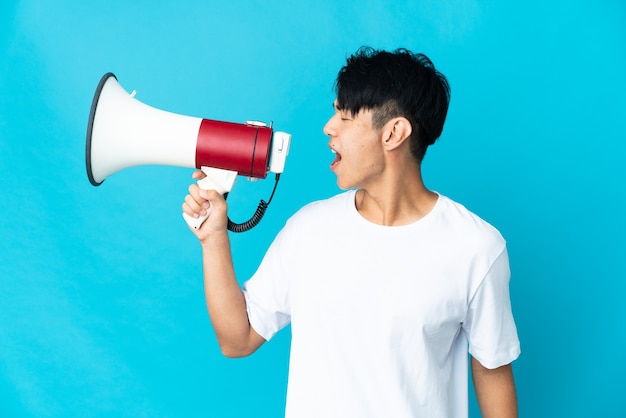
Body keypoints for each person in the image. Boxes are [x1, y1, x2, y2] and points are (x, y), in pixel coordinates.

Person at [182, 46, 520, 418]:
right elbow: (237, 338)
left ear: (394, 132)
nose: (329, 127)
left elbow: (493, 372)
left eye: (344, 116)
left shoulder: (476, 247)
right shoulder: (308, 229)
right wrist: (214, 238)